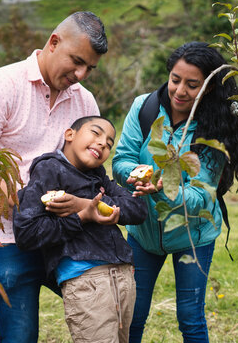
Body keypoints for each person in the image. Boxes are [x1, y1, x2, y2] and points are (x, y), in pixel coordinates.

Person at [0, 12, 108, 343]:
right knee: (19, 336)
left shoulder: (84, 100)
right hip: (6, 239)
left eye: (89, 68)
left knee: (108, 314)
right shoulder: (2, 85)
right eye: (76, 62)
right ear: (53, 42)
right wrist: (17, 198)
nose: (80, 74)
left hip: (66, 233)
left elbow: (88, 164)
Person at [112, 41, 238, 342]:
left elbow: (201, 195)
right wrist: (138, 175)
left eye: (192, 85)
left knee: (190, 318)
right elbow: (122, 158)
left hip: (195, 234)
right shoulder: (145, 108)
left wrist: (164, 190)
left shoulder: (216, 128)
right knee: (132, 317)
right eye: (175, 79)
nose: (180, 91)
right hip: (144, 232)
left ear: (209, 88)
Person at [13, 116, 147, 343]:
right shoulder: (49, 170)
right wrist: (82, 217)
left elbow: (137, 209)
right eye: (96, 133)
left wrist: (85, 204)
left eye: (109, 143)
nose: (103, 143)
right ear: (69, 135)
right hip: (86, 280)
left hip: (123, 277)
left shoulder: (100, 178)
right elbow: (27, 232)